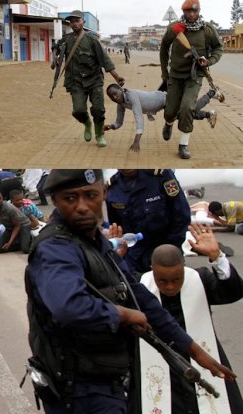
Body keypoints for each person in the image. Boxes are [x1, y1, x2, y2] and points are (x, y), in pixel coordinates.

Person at [24, 169, 235, 414]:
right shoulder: (57, 248)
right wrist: (122, 315)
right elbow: (68, 307)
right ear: (55, 201)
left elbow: (140, 297)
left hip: (104, 377)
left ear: (103, 193)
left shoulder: (95, 241)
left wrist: (193, 349)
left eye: (90, 195)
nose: (82, 207)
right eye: (70, 198)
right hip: (77, 388)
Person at [138, 233, 243, 414]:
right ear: (152, 270)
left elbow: (233, 292)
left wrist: (217, 257)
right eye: (162, 280)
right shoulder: (140, 286)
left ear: (184, 268)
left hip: (203, 356)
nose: (170, 286)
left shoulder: (199, 279)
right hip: (159, 363)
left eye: (176, 279)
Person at [160, 0, 224, 159]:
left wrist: (208, 61)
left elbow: (218, 48)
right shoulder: (174, 28)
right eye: (188, 11)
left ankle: (183, 144)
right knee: (170, 111)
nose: (191, 14)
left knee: (187, 108)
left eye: (194, 10)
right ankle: (168, 124)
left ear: (199, 11)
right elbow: (164, 48)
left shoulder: (207, 30)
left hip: (195, 76)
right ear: (183, 12)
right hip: (175, 75)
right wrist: (164, 72)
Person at [52, 10, 125, 147]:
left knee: (98, 109)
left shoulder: (92, 40)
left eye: (77, 21)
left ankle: (99, 134)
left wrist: (117, 77)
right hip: (75, 81)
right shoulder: (66, 39)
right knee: (78, 110)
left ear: (83, 22)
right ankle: (87, 123)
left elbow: (105, 60)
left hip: (94, 80)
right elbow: (55, 47)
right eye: (72, 21)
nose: (74, 24)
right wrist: (54, 57)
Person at [106, 169, 190, 273]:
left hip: (165, 248)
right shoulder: (113, 188)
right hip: (134, 258)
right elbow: (117, 228)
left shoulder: (160, 176)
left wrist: (171, 250)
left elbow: (181, 216)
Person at [104, 84, 220, 152]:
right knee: (185, 115)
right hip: (163, 105)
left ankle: (211, 93)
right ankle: (209, 115)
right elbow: (119, 122)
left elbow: (138, 117)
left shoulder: (131, 95)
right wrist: (111, 126)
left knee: (190, 110)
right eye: (111, 97)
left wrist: (136, 141)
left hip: (166, 99)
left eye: (115, 93)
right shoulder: (121, 103)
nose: (115, 97)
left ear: (121, 89)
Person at [0, 189, 31, 254]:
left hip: (23, 225)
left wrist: (9, 243)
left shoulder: (9, 208)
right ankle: (19, 243)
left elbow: (17, 226)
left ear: (2, 199)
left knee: (25, 249)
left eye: (0, 198)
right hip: (10, 228)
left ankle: (29, 241)